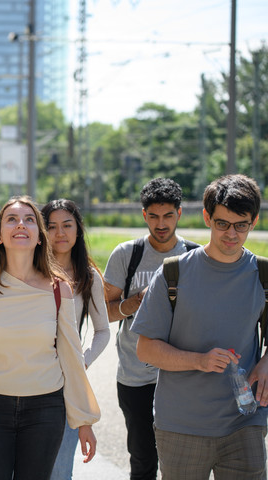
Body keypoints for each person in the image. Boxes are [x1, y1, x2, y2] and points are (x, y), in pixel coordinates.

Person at [0, 195, 100, 479]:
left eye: (29, 220)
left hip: (46, 411)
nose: (20, 224)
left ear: (39, 237)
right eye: (11, 219)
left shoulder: (60, 290)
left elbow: (71, 357)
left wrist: (84, 420)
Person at [132, 174, 268, 479]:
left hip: (245, 421)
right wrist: (199, 361)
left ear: (254, 221)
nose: (231, 234)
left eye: (241, 225)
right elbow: (146, 348)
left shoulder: (263, 274)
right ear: (207, 217)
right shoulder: (173, 273)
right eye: (222, 223)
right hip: (181, 425)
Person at [102, 177, 196, 480]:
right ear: (144, 215)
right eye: (153, 216)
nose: (161, 223)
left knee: (182, 462)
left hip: (183, 377)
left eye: (168, 215)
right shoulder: (127, 255)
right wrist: (133, 304)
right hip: (135, 378)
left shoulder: (196, 257)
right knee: (143, 460)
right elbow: (104, 313)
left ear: (179, 214)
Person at [42, 199, 110, 480]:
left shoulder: (90, 275)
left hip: (68, 386)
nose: (60, 233)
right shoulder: (30, 272)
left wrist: (82, 362)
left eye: (67, 225)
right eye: (52, 227)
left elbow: (103, 330)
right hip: (28, 378)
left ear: (78, 230)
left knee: (60, 471)